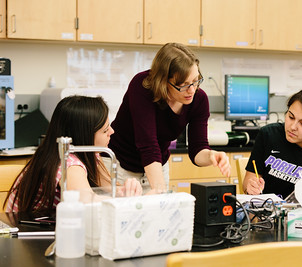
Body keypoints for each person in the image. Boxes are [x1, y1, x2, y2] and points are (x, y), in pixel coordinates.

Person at [108, 43, 231, 194]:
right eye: (183, 85)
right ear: (163, 81)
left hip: (157, 166)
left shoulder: (199, 99)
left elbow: (197, 150)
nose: (191, 90)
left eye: (195, 80)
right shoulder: (142, 87)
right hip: (122, 164)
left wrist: (211, 155)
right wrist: (161, 192)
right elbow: (148, 144)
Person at [4, 95, 142, 213]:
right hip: (25, 235)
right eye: (105, 130)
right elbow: (87, 202)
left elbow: (107, 186)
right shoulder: (68, 162)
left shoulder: (88, 153)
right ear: (85, 135)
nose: (112, 132)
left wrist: (125, 190)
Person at [243, 87, 302, 199]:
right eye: (291, 117)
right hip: (265, 210)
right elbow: (248, 181)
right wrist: (250, 187)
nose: (292, 127)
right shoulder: (268, 135)